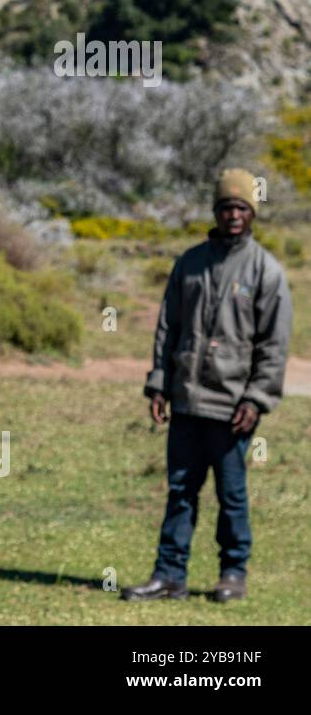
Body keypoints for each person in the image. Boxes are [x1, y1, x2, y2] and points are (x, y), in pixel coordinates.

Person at [122, 168, 291, 603]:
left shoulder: (266, 271)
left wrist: (257, 398)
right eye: (226, 207)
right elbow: (168, 329)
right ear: (215, 211)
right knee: (180, 492)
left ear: (251, 213)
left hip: (233, 408)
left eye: (241, 208)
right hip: (186, 402)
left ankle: (232, 574)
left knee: (231, 496)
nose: (233, 215)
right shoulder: (189, 263)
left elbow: (274, 344)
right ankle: (169, 575)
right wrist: (159, 384)